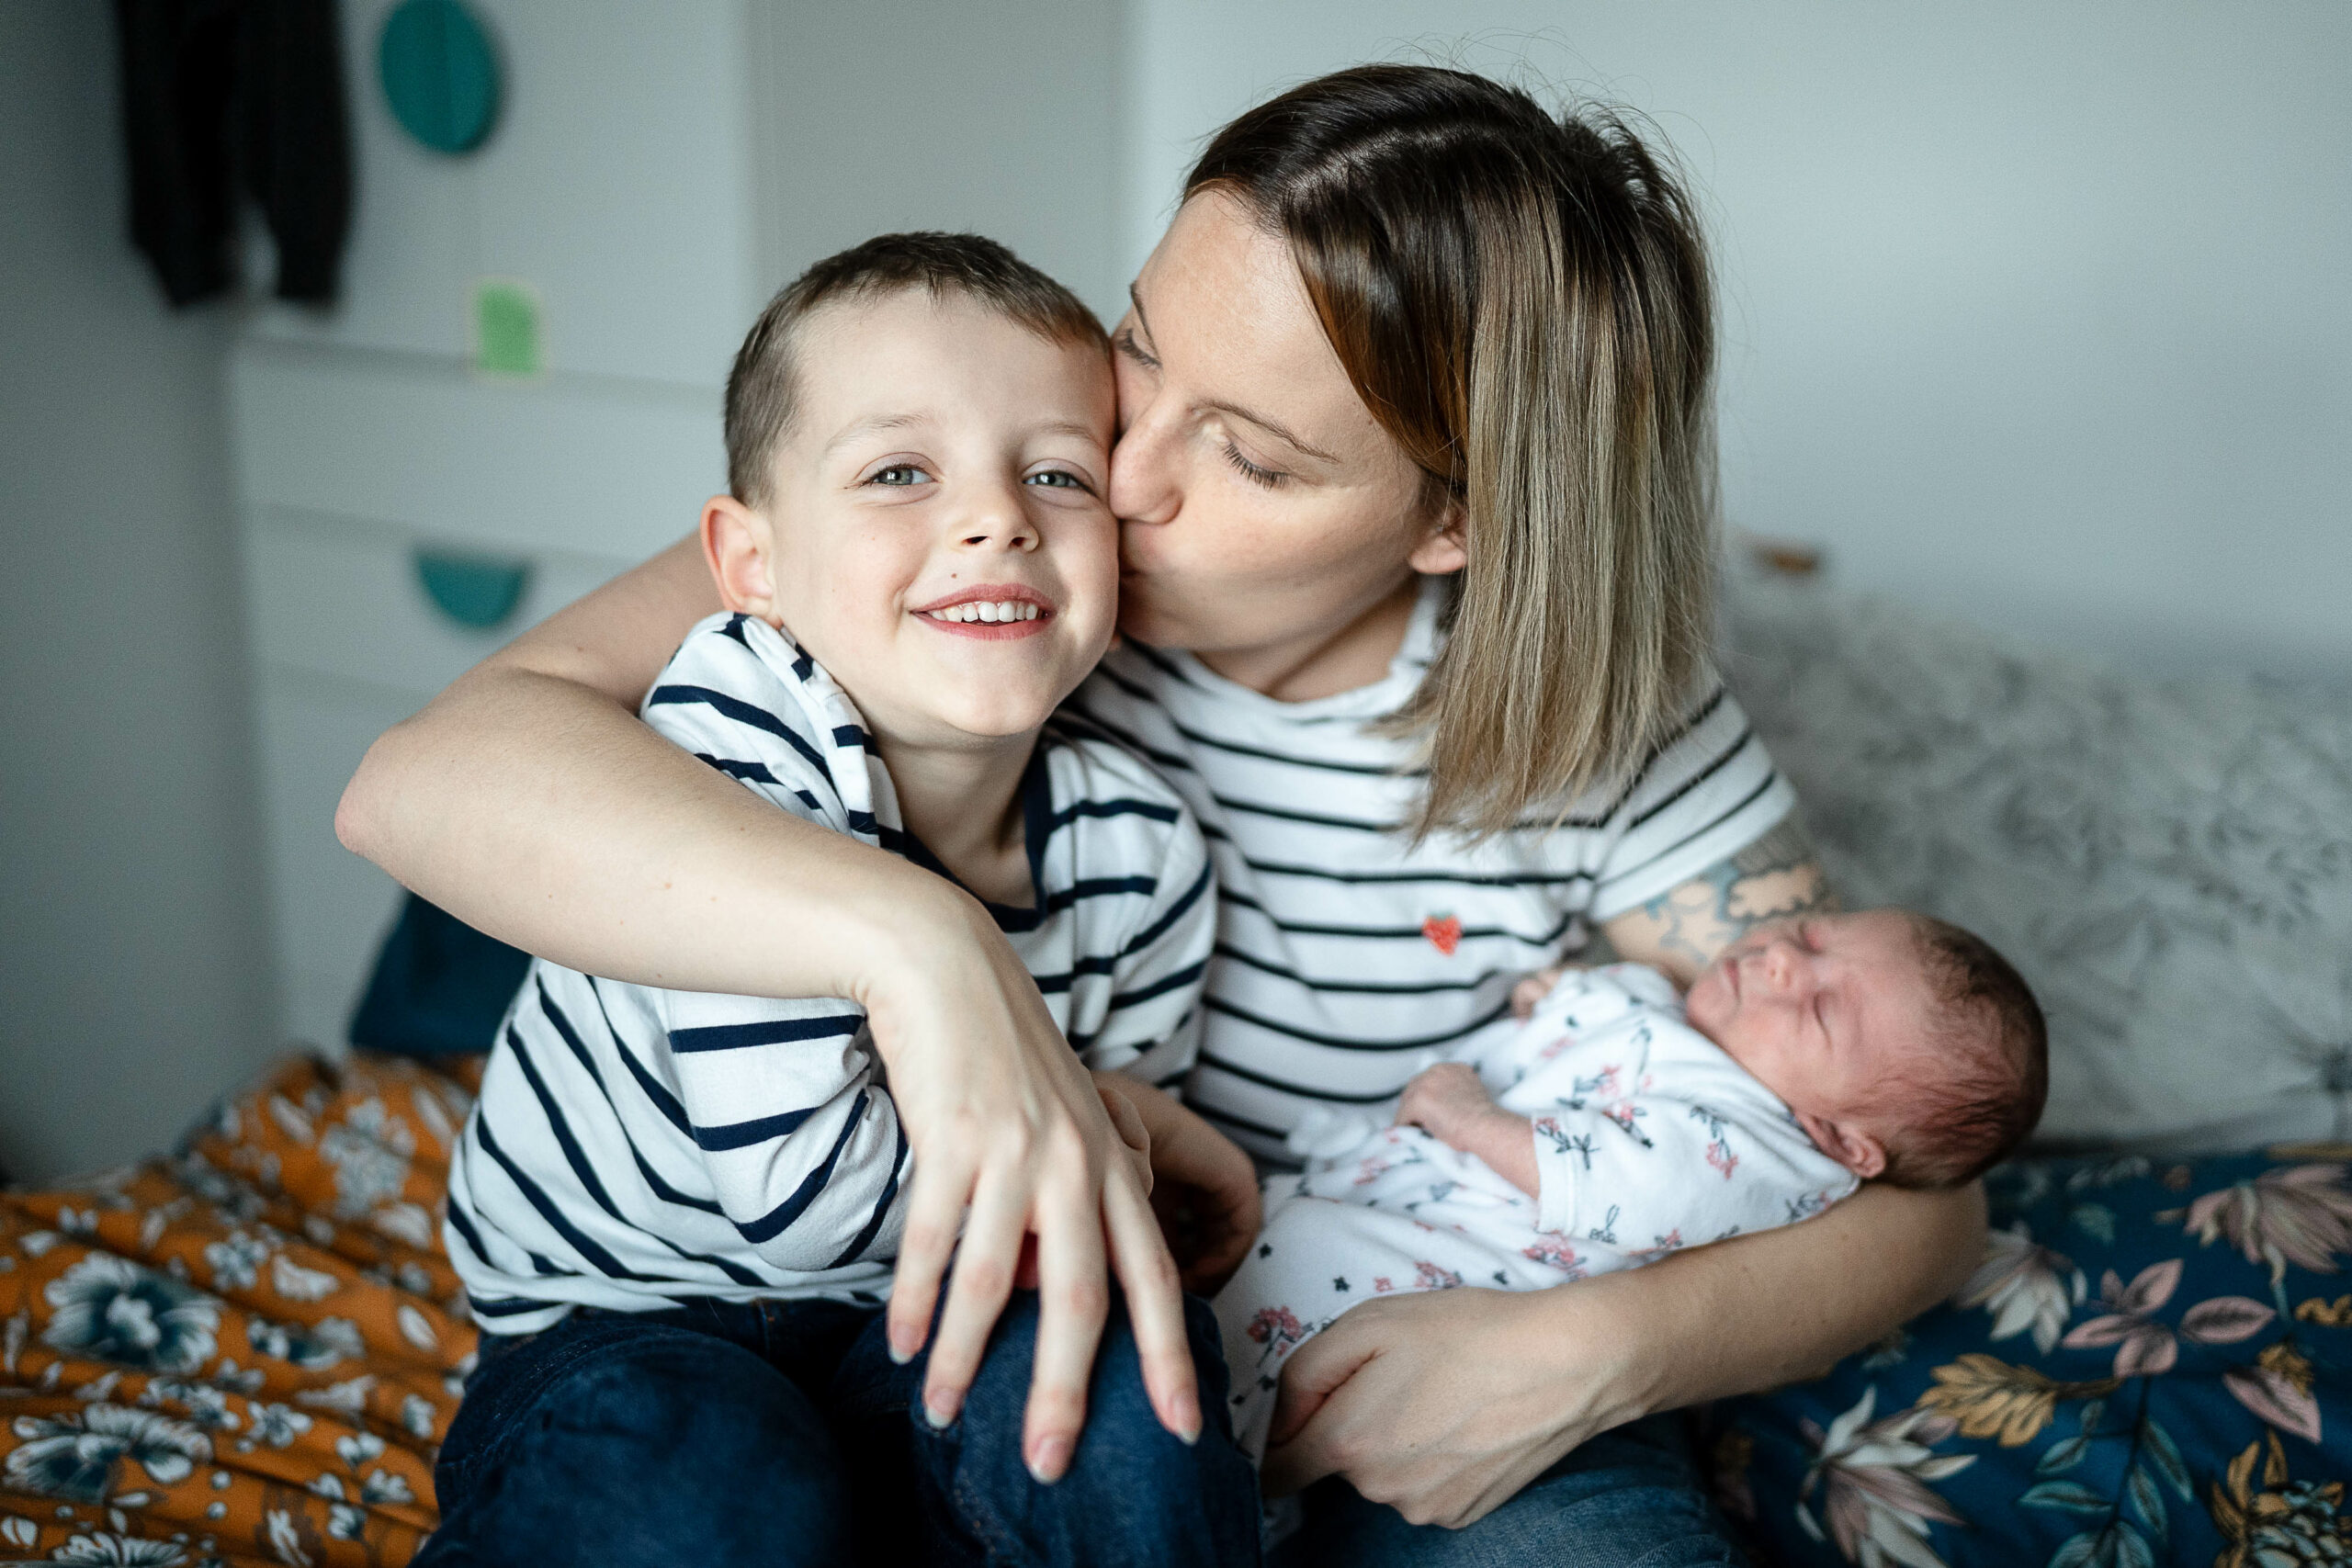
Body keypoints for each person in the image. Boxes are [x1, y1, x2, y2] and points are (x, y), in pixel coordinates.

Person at [341, 64, 1989, 1566]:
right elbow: (430, 775)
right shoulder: (991, 570)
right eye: (1142, 344)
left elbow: (1918, 1188)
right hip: (926, 1289)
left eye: (1251, 456)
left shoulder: (1604, 726)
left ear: (1452, 518)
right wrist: (919, 943)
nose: (1116, 476)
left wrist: (1572, 1359)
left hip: (1382, 1349)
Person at [420, 233, 1259, 1566]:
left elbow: (1091, 1192)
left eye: (1057, 471)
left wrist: (1111, 1153)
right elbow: (807, 1193)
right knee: (693, 1476)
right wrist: (1097, 1143)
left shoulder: (1141, 850)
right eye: (898, 473)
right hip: (634, 1317)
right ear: (750, 564)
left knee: (1119, 1384)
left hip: (921, 1325)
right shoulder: (729, 742)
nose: (998, 519)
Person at [1216, 909, 2048, 1461]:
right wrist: (1561, 1002)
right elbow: (1601, 1040)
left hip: (1419, 1280)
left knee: (1242, 1361)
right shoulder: (1697, 1025)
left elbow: (1623, 1185)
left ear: (1842, 1140)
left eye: (1823, 1010)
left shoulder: (1762, 1147)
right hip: (1358, 1200)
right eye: (1811, 933)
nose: (1783, 959)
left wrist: (1472, 1118)